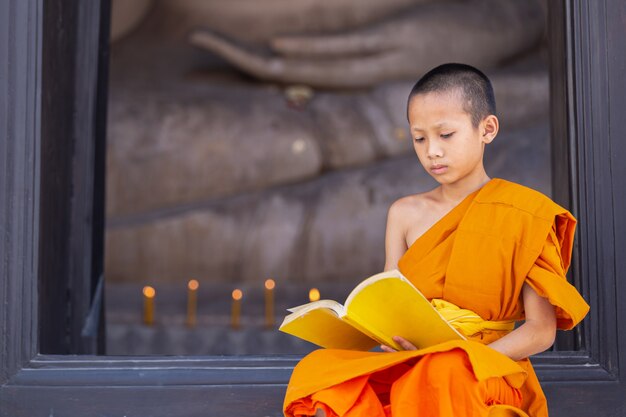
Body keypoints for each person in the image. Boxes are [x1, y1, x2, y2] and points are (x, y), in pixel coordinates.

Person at [282, 63, 590, 417]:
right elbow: (386, 302)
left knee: (442, 372)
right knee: (320, 370)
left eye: (445, 135)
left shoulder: (526, 214)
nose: (432, 152)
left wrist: (466, 356)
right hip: (416, 357)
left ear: (487, 129)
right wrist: (385, 338)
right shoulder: (404, 213)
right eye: (420, 138)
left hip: (484, 365)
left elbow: (540, 332)